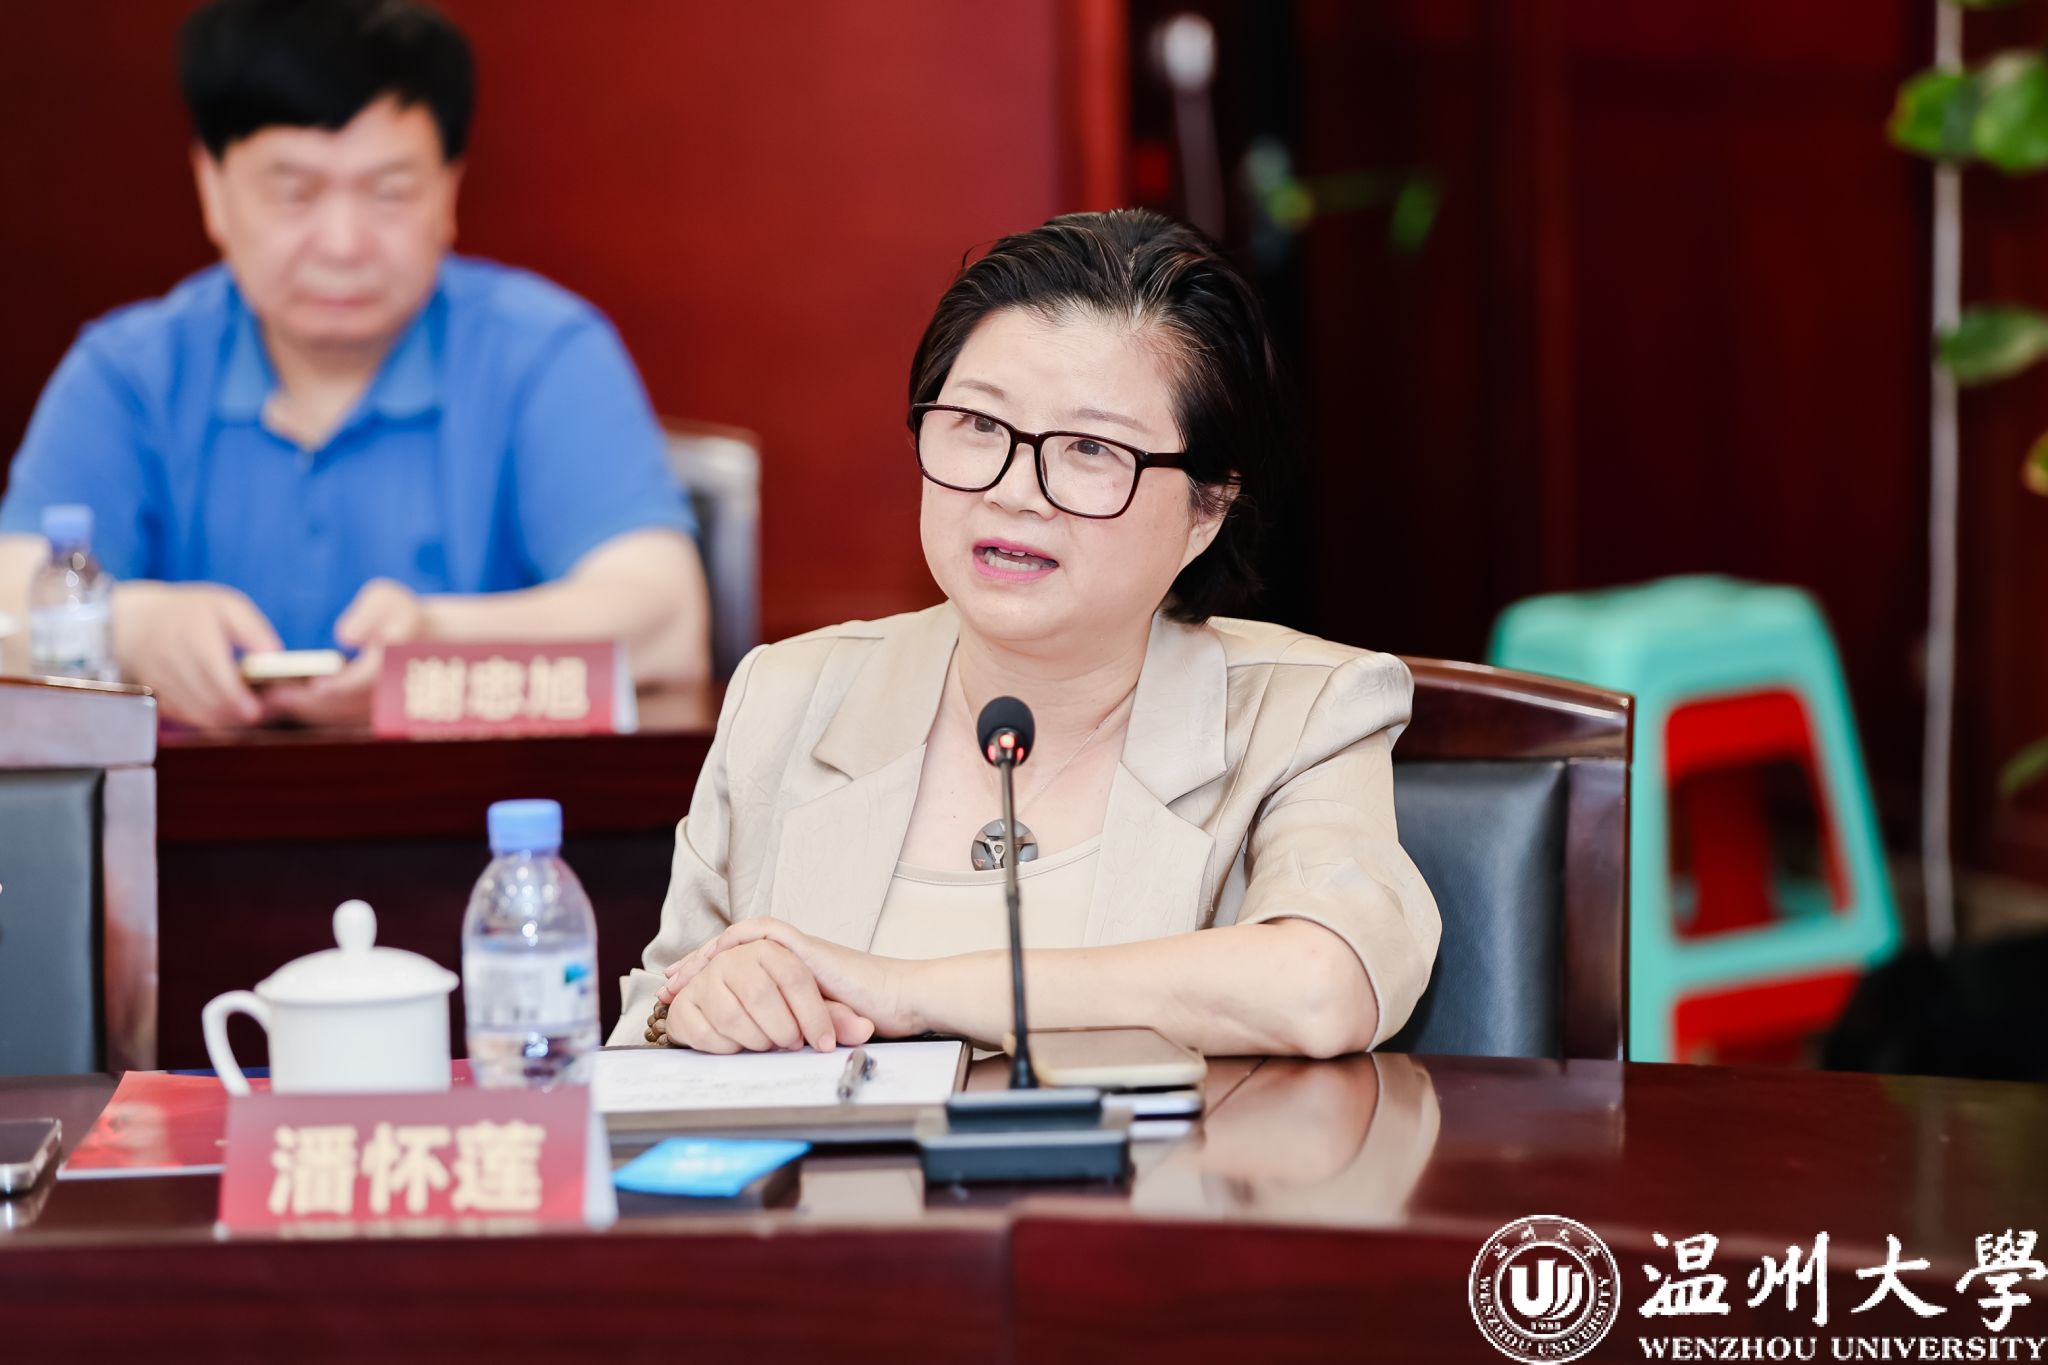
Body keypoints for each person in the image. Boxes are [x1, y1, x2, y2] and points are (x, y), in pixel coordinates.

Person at [615, 209, 1439, 1059]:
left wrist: (905, 990)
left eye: (1090, 447)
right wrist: (698, 1011)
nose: (1015, 490)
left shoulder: (1303, 713)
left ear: (1208, 508)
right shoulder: (787, 697)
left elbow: (1321, 987)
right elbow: (644, 1026)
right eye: (980, 425)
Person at [0, 0, 709, 727]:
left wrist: (441, 644)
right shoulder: (129, 375)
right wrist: (132, 627)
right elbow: (7, 601)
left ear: (448, 190)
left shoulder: (542, 355)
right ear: (211, 188)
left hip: (469, 796)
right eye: (294, 193)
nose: (343, 244)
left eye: (389, 192)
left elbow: (667, 622)